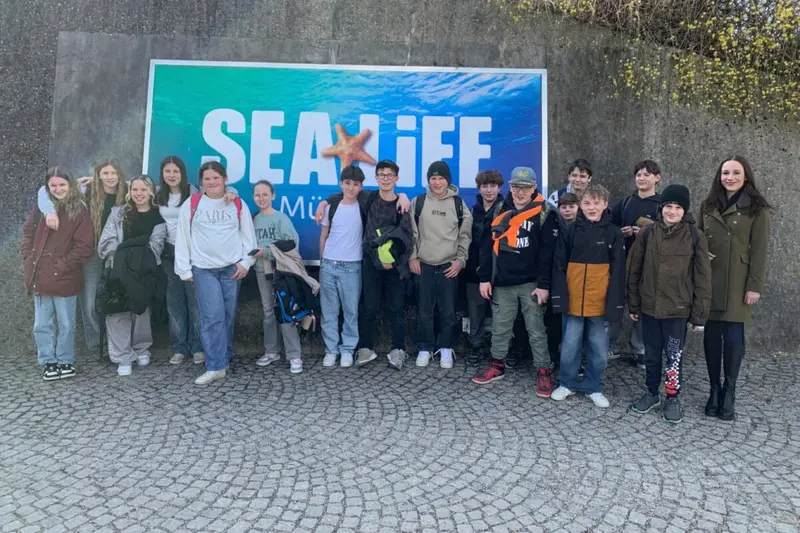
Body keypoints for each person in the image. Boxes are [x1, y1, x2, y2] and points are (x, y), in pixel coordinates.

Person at [627, 185, 713, 423]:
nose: (672, 211)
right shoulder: (646, 233)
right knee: (652, 354)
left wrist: (699, 315)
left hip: (678, 310)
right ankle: (652, 392)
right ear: (661, 208)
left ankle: (672, 397)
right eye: (668, 206)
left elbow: (702, 278)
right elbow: (634, 270)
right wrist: (633, 305)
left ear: (684, 211)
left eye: (677, 207)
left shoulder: (695, 236)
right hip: (650, 308)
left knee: (673, 355)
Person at [698, 156, 770, 421]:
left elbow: (760, 250)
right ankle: (714, 390)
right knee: (711, 337)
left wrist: (755, 286)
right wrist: (702, 253)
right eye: (725, 172)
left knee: (733, 338)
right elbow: (697, 237)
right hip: (710, 279)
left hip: (739, 280)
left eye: (735, 172)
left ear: (746, 176)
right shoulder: (708, 205)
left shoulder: (757, 208)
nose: (730, 177)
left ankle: (730, 391)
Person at [471, 167, 552, 396]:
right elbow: (487, 247)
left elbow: (548, 254)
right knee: (500, 328)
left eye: (525, 187)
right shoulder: (499, 208)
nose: (520, 192)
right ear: (510, 187)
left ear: (534, 188)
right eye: (516, 186)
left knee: (536, 330)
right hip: (503, 281)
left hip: (531, 282)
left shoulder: (544, 212)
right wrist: (484, 278)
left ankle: (543, 371)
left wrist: (544, 284)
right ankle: (497, 365)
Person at [174, 161, 257, 385]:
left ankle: (223, 357)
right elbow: (182, 237)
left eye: (216, 178)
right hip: (203, 270)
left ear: (225, 179)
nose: (211, 182)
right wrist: (184, 269)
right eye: (207, 179)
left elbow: (249, 236)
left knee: (227, 317)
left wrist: (245, 263)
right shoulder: (191, 204)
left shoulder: (237, 204)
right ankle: (215, 366)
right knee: (212, 318)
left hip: (231, 269)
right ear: (201, 182)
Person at [37, 157, 127, 356]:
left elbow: (149, 188)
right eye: (105, 173)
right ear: (98, 175)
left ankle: (118, 346)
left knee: (120, 301)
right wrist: (49, 211)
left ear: (120, 174)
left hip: (119, 254)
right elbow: (45, 190)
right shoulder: (87, 192)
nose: (110, 177)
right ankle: (96, 345)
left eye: (114, 173)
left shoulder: (127, 193)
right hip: (92, 253)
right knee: (90, 303)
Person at [154, 155, 239, 366]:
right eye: (167, 171)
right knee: (174, 304)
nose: (171, 175)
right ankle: (179, 347)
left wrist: (231, 192)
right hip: (168, 253)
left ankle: (198, 347)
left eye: (176, 171)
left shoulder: (193, 192)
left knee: (197, 304)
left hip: (195, 254)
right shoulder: (156, 193)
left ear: (183, 173)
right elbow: (131, 190)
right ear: (162, 174)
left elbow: (221, 193)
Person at [550, 184, 625, 407]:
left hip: (600, 303)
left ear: (605, 205)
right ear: (580, 205)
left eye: (596, 203)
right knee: (569, 347)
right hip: (573, 302)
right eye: (587, 203)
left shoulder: (614, 233)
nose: (591, 207)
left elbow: (618, 271)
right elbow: (559, 265)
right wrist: (560, 296)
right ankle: (567, 383)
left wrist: (616, 302)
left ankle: (594, 387)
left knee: (600, 351)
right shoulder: (570, 230)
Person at [22, 167, 94, 380]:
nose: (58, 189)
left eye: (62, 185)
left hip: (65, 277)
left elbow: (84, 246)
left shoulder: (79, 211)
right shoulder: (40, 210)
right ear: (47, 187)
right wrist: (27, 258)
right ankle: (48, 362)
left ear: (70, 185)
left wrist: (61, 266)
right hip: (40, 276)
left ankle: (65, 360)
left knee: (66, 323)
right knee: (41, 325)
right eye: (53, 185)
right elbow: (27, 233)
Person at [97, 175, 167, 376]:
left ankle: (141, 349)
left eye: (143, 190)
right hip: (117, 271)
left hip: (143, 273)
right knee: (118, 312)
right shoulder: (118, 213)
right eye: (135, 190)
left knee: (141, 312)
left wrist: (128, 254)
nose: (139, 194)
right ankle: (123, 356)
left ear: (151, 192)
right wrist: (123, 256)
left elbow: (155, 248)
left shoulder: (158, 218)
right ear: (130, 192)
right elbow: (107, 241)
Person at [409, 161, 472, 369]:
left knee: (448, 311)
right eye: (433, 178)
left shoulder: (458, 205)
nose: (437, 183)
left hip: (448, 266)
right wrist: (413, 256)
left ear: (448, 181)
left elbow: (465, 237)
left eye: (441, 178)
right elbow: (411, 234)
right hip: (424, 265)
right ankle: (425, 347)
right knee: (424, 311)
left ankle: (445, 347)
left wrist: (460, 261)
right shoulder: (418, 202)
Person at [354, 160, 414, 369]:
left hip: (394, 266)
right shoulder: (368, 197)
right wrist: (324, 203)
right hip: (371, 264)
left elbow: (406, 237)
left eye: (390, 175)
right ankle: (365, 348)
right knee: (369, 307)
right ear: (376, 178)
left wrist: (391, 261)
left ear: (396, 178)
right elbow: (343, 195)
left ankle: (398, 349)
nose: (385, 178)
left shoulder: (403, 204)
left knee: (396, 308)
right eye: (381, 175)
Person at [609, 160, 663, 364]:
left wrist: (645, 233)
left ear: (657, 178)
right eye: (639, 174)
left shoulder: (663, 205)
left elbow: (668, 235)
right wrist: (619, 233)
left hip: (649, 265)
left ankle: (639, 348)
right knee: (616, 304)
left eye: (647, 174)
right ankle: (611, 346)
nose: (642, 178)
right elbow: (608, 229)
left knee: (644, 305)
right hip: (622, 262)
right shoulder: (625, 203)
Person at [251, 180, 305, 373]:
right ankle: (271, 351)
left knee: (286, 311)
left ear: (273, 196)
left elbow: (292, 244)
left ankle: (294, 356)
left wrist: (266, 252)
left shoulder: (281, 218)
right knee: (267, 312)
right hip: (260, 272)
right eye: (257, 195)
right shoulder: (253, 219)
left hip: (281, 272)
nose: (261, 198)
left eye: (265, 194)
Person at [319, 164, 366, 368]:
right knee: (329, 311)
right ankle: (331, 350)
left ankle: (347, 349)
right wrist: (323, 261)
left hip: (352, 266)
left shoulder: (364, 205)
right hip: (329, 264)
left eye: (355, 184)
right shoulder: (331, 206)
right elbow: (324, 235)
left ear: (361, 187)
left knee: (350, 311)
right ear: (341, 184)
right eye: (347, 183)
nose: (351, 188)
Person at [463, 170, 505, 367]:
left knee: (501, 314)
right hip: (474, 271)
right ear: (479, 188)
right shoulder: (472, 210)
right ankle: (476, 346)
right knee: (475, 313)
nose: (489, 190)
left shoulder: (507, 210)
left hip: (500, 272)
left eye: (493, 186)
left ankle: (502, 350)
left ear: (499, 187)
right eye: (485, 186)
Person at [541, 192, 580, 365]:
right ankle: (552, 354)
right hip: (553, 280)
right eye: (564, 207)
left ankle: (573, 358)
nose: (568, 211)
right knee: (553, 321)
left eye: (571, 207)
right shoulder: (552, 224)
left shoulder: (583, 227)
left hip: (575, 281)